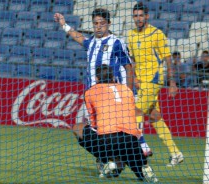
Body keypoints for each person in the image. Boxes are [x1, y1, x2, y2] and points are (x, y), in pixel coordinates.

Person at [54, 8, 152, 156]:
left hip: (110, 94)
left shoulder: (117, 43)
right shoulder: (91, 42)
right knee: (97, 130)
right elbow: (79, 37)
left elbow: (129, 68)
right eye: (95, 23)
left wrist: (129, 92)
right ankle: (108, 161)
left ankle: (140, 146)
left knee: (115, 127)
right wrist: (63, 24)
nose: (98, 26)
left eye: (102, 23)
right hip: (92, 94)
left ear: (109, 24)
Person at [72, 64, 158, 182]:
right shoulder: (127, 89)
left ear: (96, 79)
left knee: (77, 128)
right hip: (131, 139)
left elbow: (93, 123)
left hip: (108, 139)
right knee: (138, 169)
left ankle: (107, 161)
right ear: (113, 77)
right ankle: (144, 169)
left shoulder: (90, 92)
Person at [127, 2, 184, 167]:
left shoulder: (157, 34)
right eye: (135, 16)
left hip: (154, 79)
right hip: (141, 81)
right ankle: (176, 153)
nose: (138, 19)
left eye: (141, 15)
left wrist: (172, 82)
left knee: (135, 110)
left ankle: (140, 147)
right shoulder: (131, 35)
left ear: (147, 16)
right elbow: (133, 60)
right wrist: (135, 78)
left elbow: (167, 58)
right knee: (154, 116)